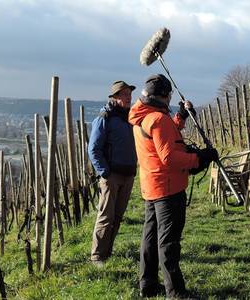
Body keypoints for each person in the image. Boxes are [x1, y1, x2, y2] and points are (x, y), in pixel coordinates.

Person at [128, 74, 218, 298]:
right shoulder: (159, 119)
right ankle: (176, 292)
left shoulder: (142, 116)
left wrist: (180, 118)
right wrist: (200, 158)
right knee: (169, 242)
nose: (170, 100)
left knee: (150, 238)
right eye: (168, 96)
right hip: (168, 188)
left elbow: (162, 137)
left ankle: (147, 284)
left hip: (152, 186)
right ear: (163, 96)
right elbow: (169, 157)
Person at [88, 80, 137, 266]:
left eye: (129, 95)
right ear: (115, 97)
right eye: (125, 95)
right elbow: (93, 149)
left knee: (117, 216)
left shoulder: (130, 118)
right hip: (112, 176)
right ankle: (97, 256)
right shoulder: (104, 118)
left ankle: (108, 252)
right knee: (106, 216)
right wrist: (104, 172)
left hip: (128, 174)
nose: (128, 98)